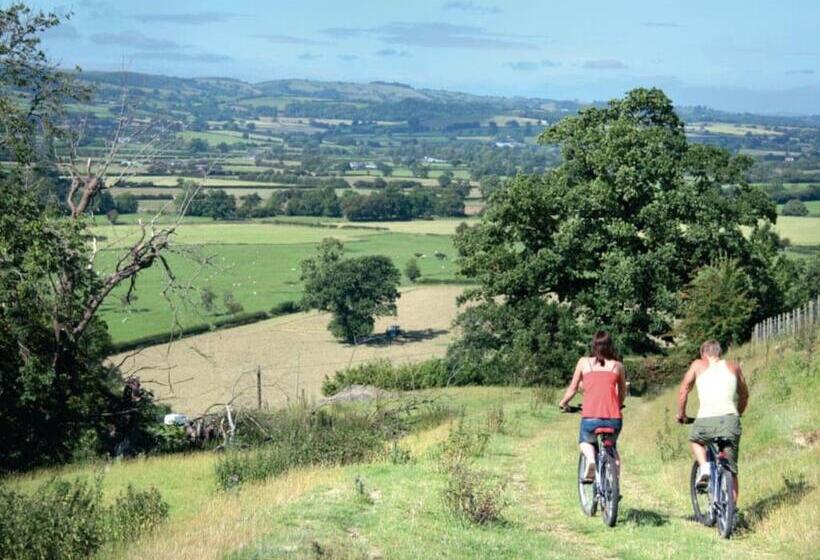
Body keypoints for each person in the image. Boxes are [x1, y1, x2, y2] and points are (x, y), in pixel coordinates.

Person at [676, 340, 749, 501]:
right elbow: (744, 394)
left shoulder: (697, 364)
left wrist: (681, 414)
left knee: (695, 440)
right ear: (719, 353)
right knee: (731, 469)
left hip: (706, 420)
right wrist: (739, 412)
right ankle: (731, 513)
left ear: (703, 354)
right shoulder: (733, 366)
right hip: (730, 420)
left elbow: (684, 390)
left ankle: (704, 467)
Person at [559, 331, 627, 481]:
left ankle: (590, 459)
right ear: (610, 347)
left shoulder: (583, 362)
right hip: (613, 418)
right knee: (612, 449)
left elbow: (573, 388)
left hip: (590, 417)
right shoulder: (618, 366)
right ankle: (614, 486)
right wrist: (618, 405)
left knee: (585, 441)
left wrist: (563, 403)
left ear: (593, 346)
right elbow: (622, 393)